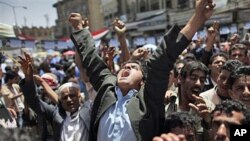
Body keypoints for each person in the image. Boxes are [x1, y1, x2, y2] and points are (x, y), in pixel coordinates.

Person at [69, 0, 215, 140]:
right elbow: (91, 60)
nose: (127, 67)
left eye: (133, 67)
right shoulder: (107, 88)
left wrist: (198, 18)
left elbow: (164, 56)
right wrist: (80, 30)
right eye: (125, 66)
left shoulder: (148, 99)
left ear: (143, 80)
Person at [18, 52, 92, 141]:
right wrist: (28, 77)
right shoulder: (55, 113)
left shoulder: (89, 110)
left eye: (72, 96)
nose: (69, 100)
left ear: (80, 96)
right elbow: (33, 100)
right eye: (65, 97)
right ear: (61, 100)